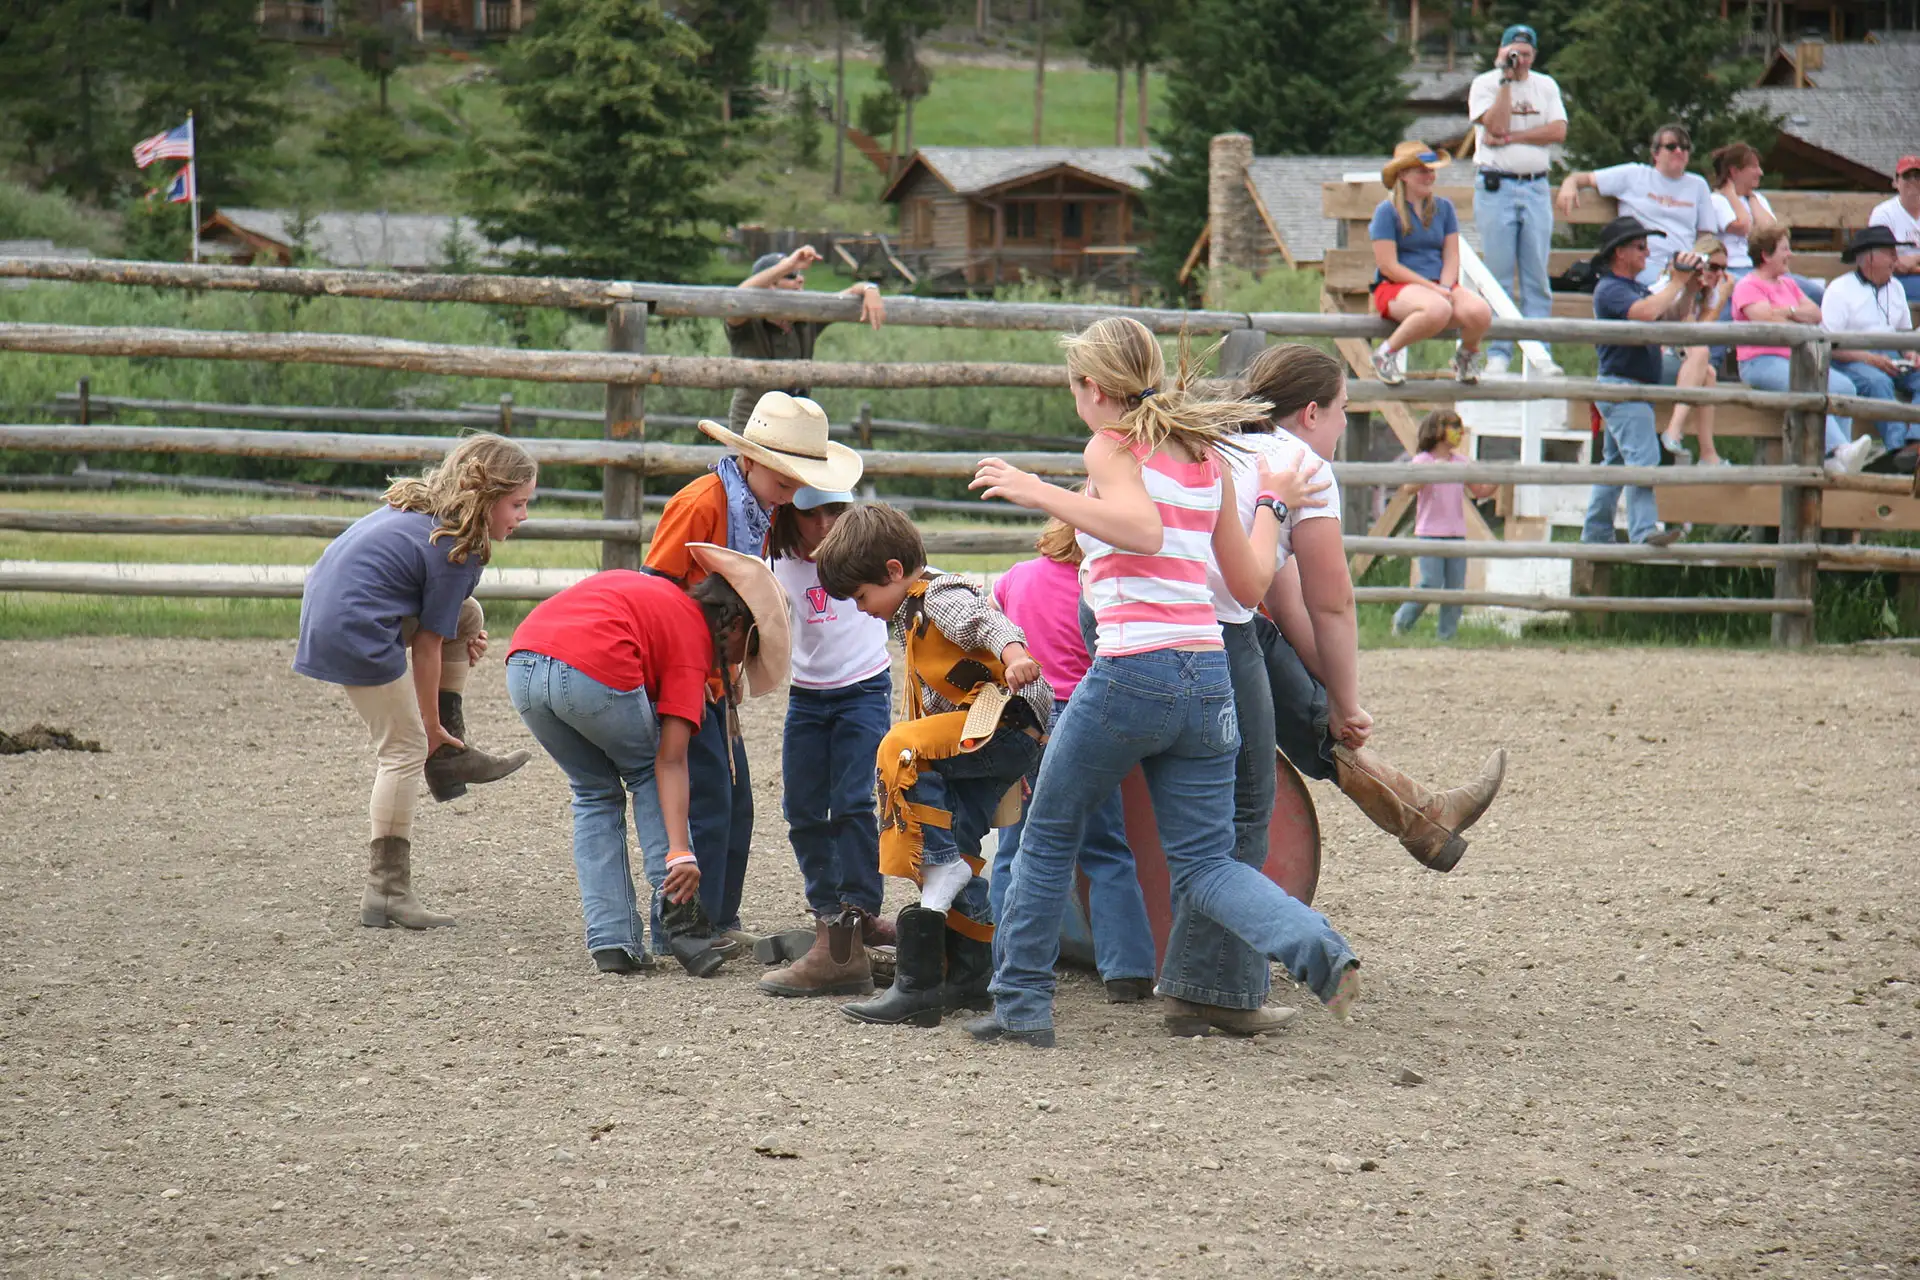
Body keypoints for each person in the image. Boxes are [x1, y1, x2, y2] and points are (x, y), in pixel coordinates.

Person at [963, 317, 1361, 1049]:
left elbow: (1139, 531)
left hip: (1131, 671)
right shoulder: (1203, 455)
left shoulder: (1112, 446)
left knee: (1047, 835)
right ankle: (1317, 947)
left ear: (1091, 387)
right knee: (1208, 862)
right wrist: (1273, 502)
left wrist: (1037, 491)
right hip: (1209, 676)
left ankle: (1019, 1009)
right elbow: (1246, 584)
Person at [1240, 346, 1507, 878]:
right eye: (1342, 408)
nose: (1342, 424)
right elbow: (1331, 602)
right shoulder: (1303, 466)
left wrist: (1337, 701)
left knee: (1269, 654)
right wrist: (1344, 704)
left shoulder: (1230, 446)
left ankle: (1423, 817)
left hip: (1167, 614)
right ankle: (1423, 817)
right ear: (1311, 414)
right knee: (1264, 662)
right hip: (1205, 628)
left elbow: (1284, 596)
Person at [813, 503, 1053, 1029]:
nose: (860, 608)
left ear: (894, 572)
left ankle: (920, 977)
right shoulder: (910, 608)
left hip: (1001, 723)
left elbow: (983, 621)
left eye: (861, 596)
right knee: (959, 837)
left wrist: (1013, 655)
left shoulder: (938, 595)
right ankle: (968, 974)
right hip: (983, 734)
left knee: (899, 747)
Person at [504, 547, 790, 978]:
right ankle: (681, 921)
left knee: (594, 793)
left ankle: (612, 941)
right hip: (593, 669)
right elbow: (670, 761)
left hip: (522, 663)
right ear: (731, 624)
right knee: (645, 773)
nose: (736, 664)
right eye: (746, 647)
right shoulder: (693, 640)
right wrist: (680, 852)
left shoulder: (659, 597)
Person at [645, 391, 864, 952]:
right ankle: (686, 926)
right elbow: (659, 589)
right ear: (753, 459)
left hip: (715, 674)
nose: (792, 495)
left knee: (733, 799)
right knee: (709, 794)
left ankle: (718, 917)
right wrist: (684, 667)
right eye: (787, 481)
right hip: (688, 671)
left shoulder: (754, 507)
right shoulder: (702, 504)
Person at [293, 433, 536, 931]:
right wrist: (426, 723)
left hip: (332, 612)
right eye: (518, 503)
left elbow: (439, 625)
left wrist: (452, 638)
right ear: (486, 498)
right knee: (402, 750)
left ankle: (449, 756)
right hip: (354, 627)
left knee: (467, 618)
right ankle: (387, 889)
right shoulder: (456, 548)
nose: (524, 516)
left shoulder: (429, 518)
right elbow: (426, 647)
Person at [988, 517, 1159, 1005]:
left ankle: (1005, 960)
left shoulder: (1016, 577)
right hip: (1086, 719)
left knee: (1015, 848)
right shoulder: (1104, 587)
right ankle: (1127, 968)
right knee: (1105, 846)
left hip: (1024, 717)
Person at [756, 488, 896, 999]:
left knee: (856, 799)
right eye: (809, 513)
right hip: (808, 694)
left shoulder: (864, 549)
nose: (821, 523)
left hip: (862, 686)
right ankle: (828, 914)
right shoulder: (773, 558)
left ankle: (858, 912)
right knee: (804, 805)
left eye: (833, 511)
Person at [1580, 216, 1703, 547]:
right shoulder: (1611, 289)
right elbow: (1647, 314)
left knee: (1615, 467)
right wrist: (1676, 282)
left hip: (1629, 387)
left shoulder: (1632, 288)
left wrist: (1689, 288)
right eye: (1640, 246)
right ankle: (1644, 532)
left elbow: (1672, 317)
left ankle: (1595, 534)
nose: (1648, 252)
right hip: (1623, 388)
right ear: (1619, 253)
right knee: (1643, 463)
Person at [1467, 22, 1568, 375]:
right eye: (1514, 53)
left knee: (1535, 274)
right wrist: (1506, 82)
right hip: (1497, 187)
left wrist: (1512, 139)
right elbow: (1494, 125)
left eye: (1526, 55)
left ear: (1534, 55)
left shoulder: (1546, 86)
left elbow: (1558, 130)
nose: (1520, 61)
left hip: (1536, 186)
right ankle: (1499, 351)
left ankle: (1539, 349)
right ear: (1501, 51)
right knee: (1498, 271)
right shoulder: (1484, 84)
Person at [1734, 226, 1869, 472]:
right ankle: (1837, 450)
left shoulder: (1788, 285)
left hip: (1794, 359)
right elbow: (1766, 320)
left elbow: (1816, 313)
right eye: (1785, 249)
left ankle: (1838, 459)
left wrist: (1787, 311)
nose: (1791, 254)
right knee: (1807, 386)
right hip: (1761, 360)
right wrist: (1793, 315)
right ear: (1766, 255)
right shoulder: (1747, 285)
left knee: (1844, 386)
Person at [1368, 141, 1492, 386]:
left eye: (1432, 170)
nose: (1430, 176)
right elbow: (1388, 266)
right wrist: (1433, 289)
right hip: (1396, 286)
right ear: (1403, 175)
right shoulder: (1386, 211)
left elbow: (1451, 255)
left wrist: (1445, 286)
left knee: (1480, 311)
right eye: (1423, 171)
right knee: (1438, 308)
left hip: (1438, 284)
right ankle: (1386, 354)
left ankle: (1466, 357)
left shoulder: (1444, 208)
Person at [725, 247, 887, 434]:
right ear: (769, 285)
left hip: (795, 428)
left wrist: (870, 289)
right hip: (751, 426)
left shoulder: (807, 317)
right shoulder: (746, 323)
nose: (800, 279)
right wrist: (787, 264)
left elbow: (851, 292)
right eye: (791, 276)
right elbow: (735, 301)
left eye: (799, 274)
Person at [1558, 124, 1718, 288]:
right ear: (1655, 153)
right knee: (1668, 289)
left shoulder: (1698, 185)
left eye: (1685, 148)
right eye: (1671, 147)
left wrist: (1697, 261)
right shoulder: (1634, 175)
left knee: (1722, 288)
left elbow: (1706, 235)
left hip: (1683, 265)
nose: (1679, 151)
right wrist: (1570, 183)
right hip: (1643, 264)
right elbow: (1585, 178)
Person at [1391, 410, 1499, 639]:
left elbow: (1478, 490)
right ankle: (1402, 621)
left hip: (1457, 534)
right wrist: (1434, 470)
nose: (1458, 433)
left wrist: (1499, 479)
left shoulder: (1461, 462)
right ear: (1437, 430)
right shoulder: (1422, 461)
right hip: (1429, 533)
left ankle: (1446, 636)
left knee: (1455, 590)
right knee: (1430, 583)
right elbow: (1409, 488)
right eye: (1453, 427)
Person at [1823, 225, 1920, 458]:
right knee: (1877, 382)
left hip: (1891, 355)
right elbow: (1829, 345)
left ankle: (1916, 440)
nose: (1896, 260)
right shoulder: (1839, 290)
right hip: (1851, 357)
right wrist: (1869, 357)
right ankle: (1897, 449)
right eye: (1890, 253)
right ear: (1870, 258)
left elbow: (1904, 334)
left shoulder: (1895, 288)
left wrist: (1910, 354)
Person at [1708, 141, 1824, 308]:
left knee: (1815, 293)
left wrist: (1751, 197)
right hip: (1734, 269)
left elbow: (1770, 232)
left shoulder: (1758, 199)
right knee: (1761, 295)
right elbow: (1743, 226)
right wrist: (1732, 195)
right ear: (1734, 171)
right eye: (1754, 167)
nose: (1760, 172)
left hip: (1764, 270)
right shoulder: (1717, 200)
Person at [1655, 233, 1734, 465]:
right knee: (1701, 352)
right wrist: (1721, 300)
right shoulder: (1675, 283)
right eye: (1713, 267)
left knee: (1708, 372)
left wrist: (1717, 296)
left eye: (1723, 269)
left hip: (1678, 360)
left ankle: (1708, 455)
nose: (1718, 274)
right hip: (1652, 359)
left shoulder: (1707, 291)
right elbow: (1693, 335)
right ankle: (1673, 431)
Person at [1867, 155, 1920, 306]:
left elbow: (1903, 262)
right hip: (1891, 280)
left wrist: (1914, 259)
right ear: (1896, 182)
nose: (1913, 181)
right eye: (1907, 176)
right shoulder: (1883, 213)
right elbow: (1882, 260)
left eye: (1918, 176)